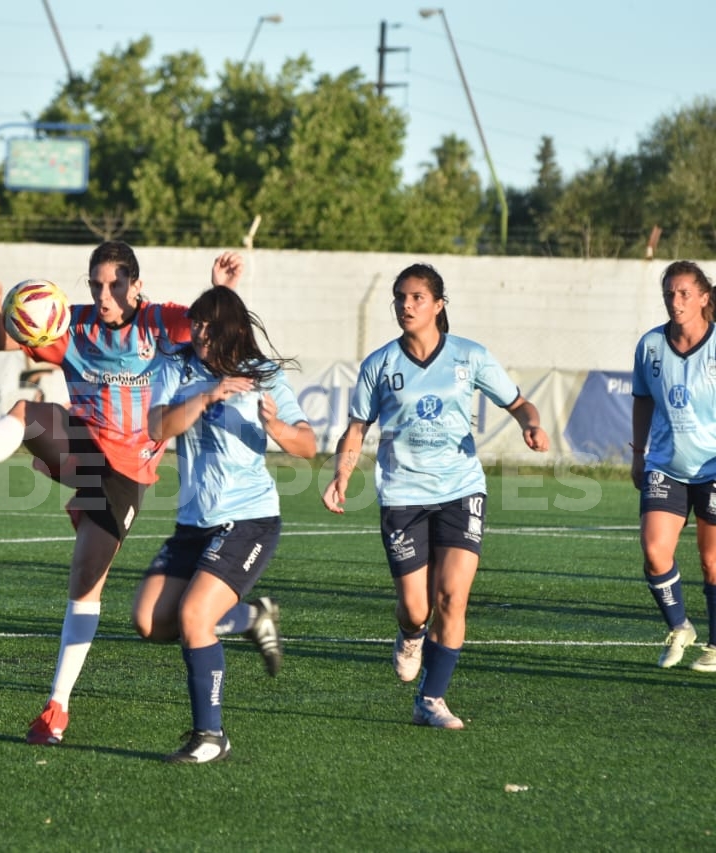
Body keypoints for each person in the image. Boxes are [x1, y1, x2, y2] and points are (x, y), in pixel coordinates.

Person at [0, 241, 255, 746]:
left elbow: (215, 330)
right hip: (81, 446)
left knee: (85, 585)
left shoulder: (162, 323)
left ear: (136, 285)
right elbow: (2, 341)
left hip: (126, 475)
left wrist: (222, 290)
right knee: (27, 413)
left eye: (115, 285)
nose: (104, 295)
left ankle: (57, 707)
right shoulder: (71, 323)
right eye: (96, 284)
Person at [322, 263, 548, 730]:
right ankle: (410, 634)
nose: (406, 305)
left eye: (417, 298)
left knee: (452, 598)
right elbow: (357, 428)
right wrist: (342, 474)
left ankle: (431, 699)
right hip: (402, 493)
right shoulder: (380, 364)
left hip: (461, 489)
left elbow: (518, 403)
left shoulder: (470, 356)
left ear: (438, 304)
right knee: (416, 608)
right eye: (400, 297)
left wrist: (531, 424)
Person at [132, 286, 316, 764]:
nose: (199, 334)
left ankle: (210, 736)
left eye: (210, 327)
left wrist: (276, 428)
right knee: (150, 622)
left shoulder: (262, 375)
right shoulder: (175, 366)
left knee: (195, 616)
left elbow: (308, 445)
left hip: (248, 519)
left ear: (232, 330)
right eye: (196, 324)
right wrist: (208, 396)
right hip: (193, 523)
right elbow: (158, 427)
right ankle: (252, 618)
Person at [631, 260, 716, 671]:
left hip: (713, 468)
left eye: (684, 293)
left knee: (712, 561)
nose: (675, 301)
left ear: (703, 298)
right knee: (654, 552)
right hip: (665, 465)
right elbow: (643, 399)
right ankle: (680, 626)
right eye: (669, 294)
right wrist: (638, 454)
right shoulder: (650, 345)